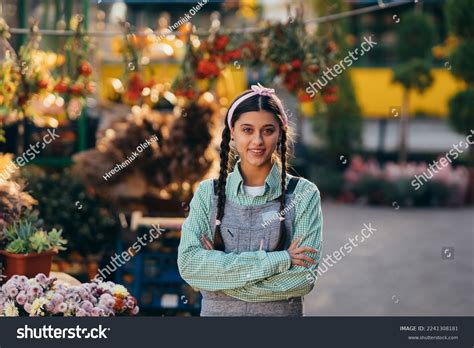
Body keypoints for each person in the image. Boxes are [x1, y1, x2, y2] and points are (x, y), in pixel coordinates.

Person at [177, 83, 323, 316]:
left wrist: (220, 278)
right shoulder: (208, 193)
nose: (257, 141)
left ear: (280, 133)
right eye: (247, 130)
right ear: (232, 131)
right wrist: (282, 259)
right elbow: (189, 266)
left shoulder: (304, 194)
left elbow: (303, 279)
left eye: (268, 130)